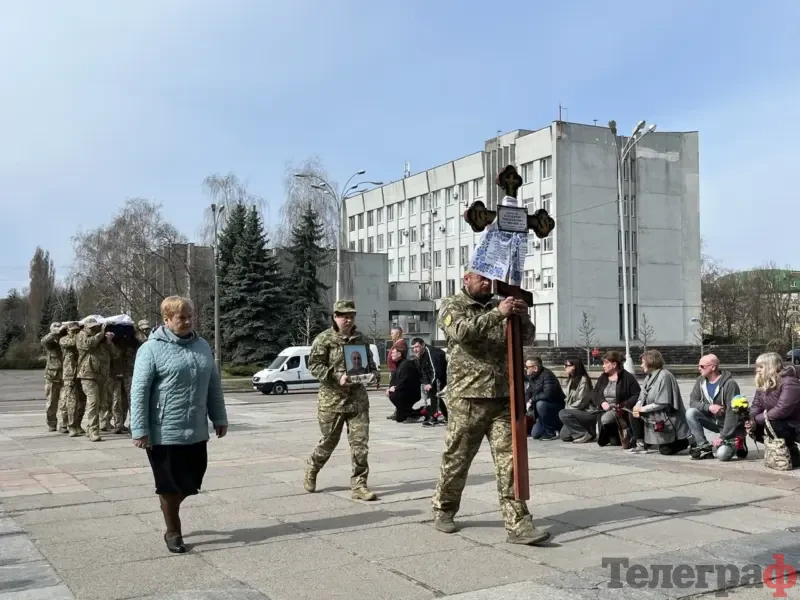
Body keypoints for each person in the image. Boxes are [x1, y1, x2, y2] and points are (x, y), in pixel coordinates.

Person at [431, 270, 550, 545]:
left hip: (502, 397)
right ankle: (444, 508)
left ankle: (518, 524)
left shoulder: (503, 303)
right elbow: (461, 332)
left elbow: (527, 338)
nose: (486, 283)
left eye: (489, 279)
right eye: (480, 278)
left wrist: (521, 318)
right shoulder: (452, 305)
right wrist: (498, 313)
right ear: (466, 279)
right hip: (467, 399)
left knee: (511, 463)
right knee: (457, 459)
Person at [130, 296, 228, 554]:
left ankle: (169, 504)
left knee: (192, 480)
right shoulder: (151, 349)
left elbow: (213, 385)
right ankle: (173, 531)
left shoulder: (203, 345)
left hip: (196, 427)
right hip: (164, 431)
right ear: (166, 320)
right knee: (170, 484)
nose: (186, 322)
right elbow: (139, 390)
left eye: (189, 317)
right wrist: (139, 429)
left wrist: (219, 417)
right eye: (180, 317)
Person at [304, 300, 380, 501]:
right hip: (332, 401)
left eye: (351, 316)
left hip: (357, 401)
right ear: (335, 317)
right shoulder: (324, 339)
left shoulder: (360, 340)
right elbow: (314, 366)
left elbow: (371, 365)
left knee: (360, 445)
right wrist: (337, 377)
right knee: (329, 442)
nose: (348, 320)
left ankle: (359, 485)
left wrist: (373, 375)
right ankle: (313, 467)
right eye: (343, 316)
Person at [629, 350, 692, 455]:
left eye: (643, 362)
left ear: (651, 362)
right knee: (633, 413)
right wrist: (637, 405)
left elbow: (663, 403)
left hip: (667, 417)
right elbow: (642, 395)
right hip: (655, 415)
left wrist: (642, 409)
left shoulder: (665, 376)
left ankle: (688, 440)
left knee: (666, 450)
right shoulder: (649, 377)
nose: (641, 365)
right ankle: (641, 444)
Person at [686, 354, 744, 461]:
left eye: (702, 366)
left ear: (713, 367)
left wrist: (723, 437)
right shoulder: (700, 381)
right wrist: (709, 407)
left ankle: (739, 443)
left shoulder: (730, 384)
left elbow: (733, 413)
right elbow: (693, 402)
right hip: (714, 422)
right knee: (691, 413)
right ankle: (704, 447)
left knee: (722, 455)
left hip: (729, 426)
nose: (698, 368)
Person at [747, 353, 800, 467]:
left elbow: (782, 409)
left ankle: (790, 449)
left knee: (772, 423)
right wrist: (752, 420)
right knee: (752, 426)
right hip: (777, 421)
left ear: (771, 367)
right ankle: (787, 452)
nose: (758, 370)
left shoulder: (789, 382)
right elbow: (756, 405)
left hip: (794, 423)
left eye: (761, 367)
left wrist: (758, 419)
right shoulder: (764, 382)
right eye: (757, 367)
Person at [592, 351, 641, 447]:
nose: (603, 366)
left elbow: (637, 395)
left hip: (619, 410)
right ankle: (614, 433)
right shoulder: (603, 377)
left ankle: (620, 432)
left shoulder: (627, 377)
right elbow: (595, 392)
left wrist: (624, 405)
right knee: (614, 442)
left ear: (614, 364)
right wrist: (602, 402)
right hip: (604, 409)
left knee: (606, 419)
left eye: (606, 363)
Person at [77, 318, 114, 442]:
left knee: (100, 403)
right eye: (91, 328)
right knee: (93, 402)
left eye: (95, 327)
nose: (93, 329)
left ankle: (89, 427)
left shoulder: (101, 339)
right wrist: (100, 334)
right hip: (87, 375)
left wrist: (109, 341)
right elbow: (88, 344)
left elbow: (114, 354)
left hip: (101, 376)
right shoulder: (81, 335)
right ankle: (93, 430)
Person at [524, 356, 565, 440]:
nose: (525, 369)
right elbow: (529, 392)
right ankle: (553, 427)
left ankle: (551, 431)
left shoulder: (548, 375)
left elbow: (548, 394)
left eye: (527, 367)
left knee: (540, 404)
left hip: (554, 407)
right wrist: (527, 402)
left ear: (535, 368)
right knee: (535, 434)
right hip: (543, 412)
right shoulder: (532, 377)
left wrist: (532, 400)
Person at [412, 337, 449, 426]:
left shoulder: (432, 353)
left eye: (417, 347)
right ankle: (447, 417)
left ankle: (433, 417)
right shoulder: (421, 355)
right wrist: (425, 383)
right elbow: (423, 370)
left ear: (423, 345)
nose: (415, 349)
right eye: (413, 347)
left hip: (443, 375)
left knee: (434, 394)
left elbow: (436, 370)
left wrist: (431, 384)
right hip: (435, 376)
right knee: (436, 396)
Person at [59, 322, 87, 437]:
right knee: (71, 402)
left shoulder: (81, 339)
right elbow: (72, 343)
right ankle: (70, 426)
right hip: (69, 375)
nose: (75, 333)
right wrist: (81, 335)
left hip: (81, 373)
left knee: (82, 401)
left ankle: (78, 424)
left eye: (77, 330)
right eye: (73, 331)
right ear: (68, 331)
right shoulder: (64, 340)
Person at [558, 358, 593, 442]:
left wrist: (567, 410)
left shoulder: (583, 380)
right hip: (574, 411)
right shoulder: (572, 379)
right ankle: (588, 430)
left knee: (563, 413)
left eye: (566, 365)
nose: (564, 367)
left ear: (574, 367)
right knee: (564, 436)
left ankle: (583, 434)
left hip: (586, 412)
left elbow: (582, 402)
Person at [41, 322, 66, 432]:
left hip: (65, 375)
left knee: (66, 401)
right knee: (51, 402)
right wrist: (54, 333)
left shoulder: (65, 339)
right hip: (52, 376)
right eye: (55, 327)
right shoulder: (50, 342)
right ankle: (52, 423)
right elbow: (44, 341)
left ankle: (64, 425)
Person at [387, 344, 422, 422]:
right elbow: (393, 380)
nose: (391, 354)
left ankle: (416, 414)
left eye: (393, 353)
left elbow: (405, 381)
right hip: (403, 392)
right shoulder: (398, 365)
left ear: (399, 354)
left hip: (410, 393)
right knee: (399, 419)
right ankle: (418, 412)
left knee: (393, 396)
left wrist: (395, 388)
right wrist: (390, 388)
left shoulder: (406, 364)